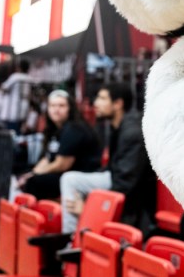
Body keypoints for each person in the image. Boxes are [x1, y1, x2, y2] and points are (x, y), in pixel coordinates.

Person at [60, 83, 155, 234]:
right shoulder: (117, 126)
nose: (96, 103)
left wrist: (91, 206)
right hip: (116, 178)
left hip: (135, 200)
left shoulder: (132, 132)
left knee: (70, 180)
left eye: (103, 98)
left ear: (118, 104)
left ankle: (71, 240)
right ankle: (73, 238)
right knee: (70, 180)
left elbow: (125, 184)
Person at [17, 89, 100, 200]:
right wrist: (32, 173)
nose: (56, 110)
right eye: (52, 106)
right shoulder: (54, 130)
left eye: (61, 106)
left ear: (70, 108)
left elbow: (62, 164)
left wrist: (34, 176)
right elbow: (47, 159)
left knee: (34, 182)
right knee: (25, 174)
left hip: (80, 176)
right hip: (63, 174)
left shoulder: (74, 128)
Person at [0, 60, 34, 133]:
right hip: (23, 109)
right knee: (18, 132)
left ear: (19, 68)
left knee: (11, 134)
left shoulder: (15, 77)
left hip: (12, 111)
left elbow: (3, 88)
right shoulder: (30, 78)